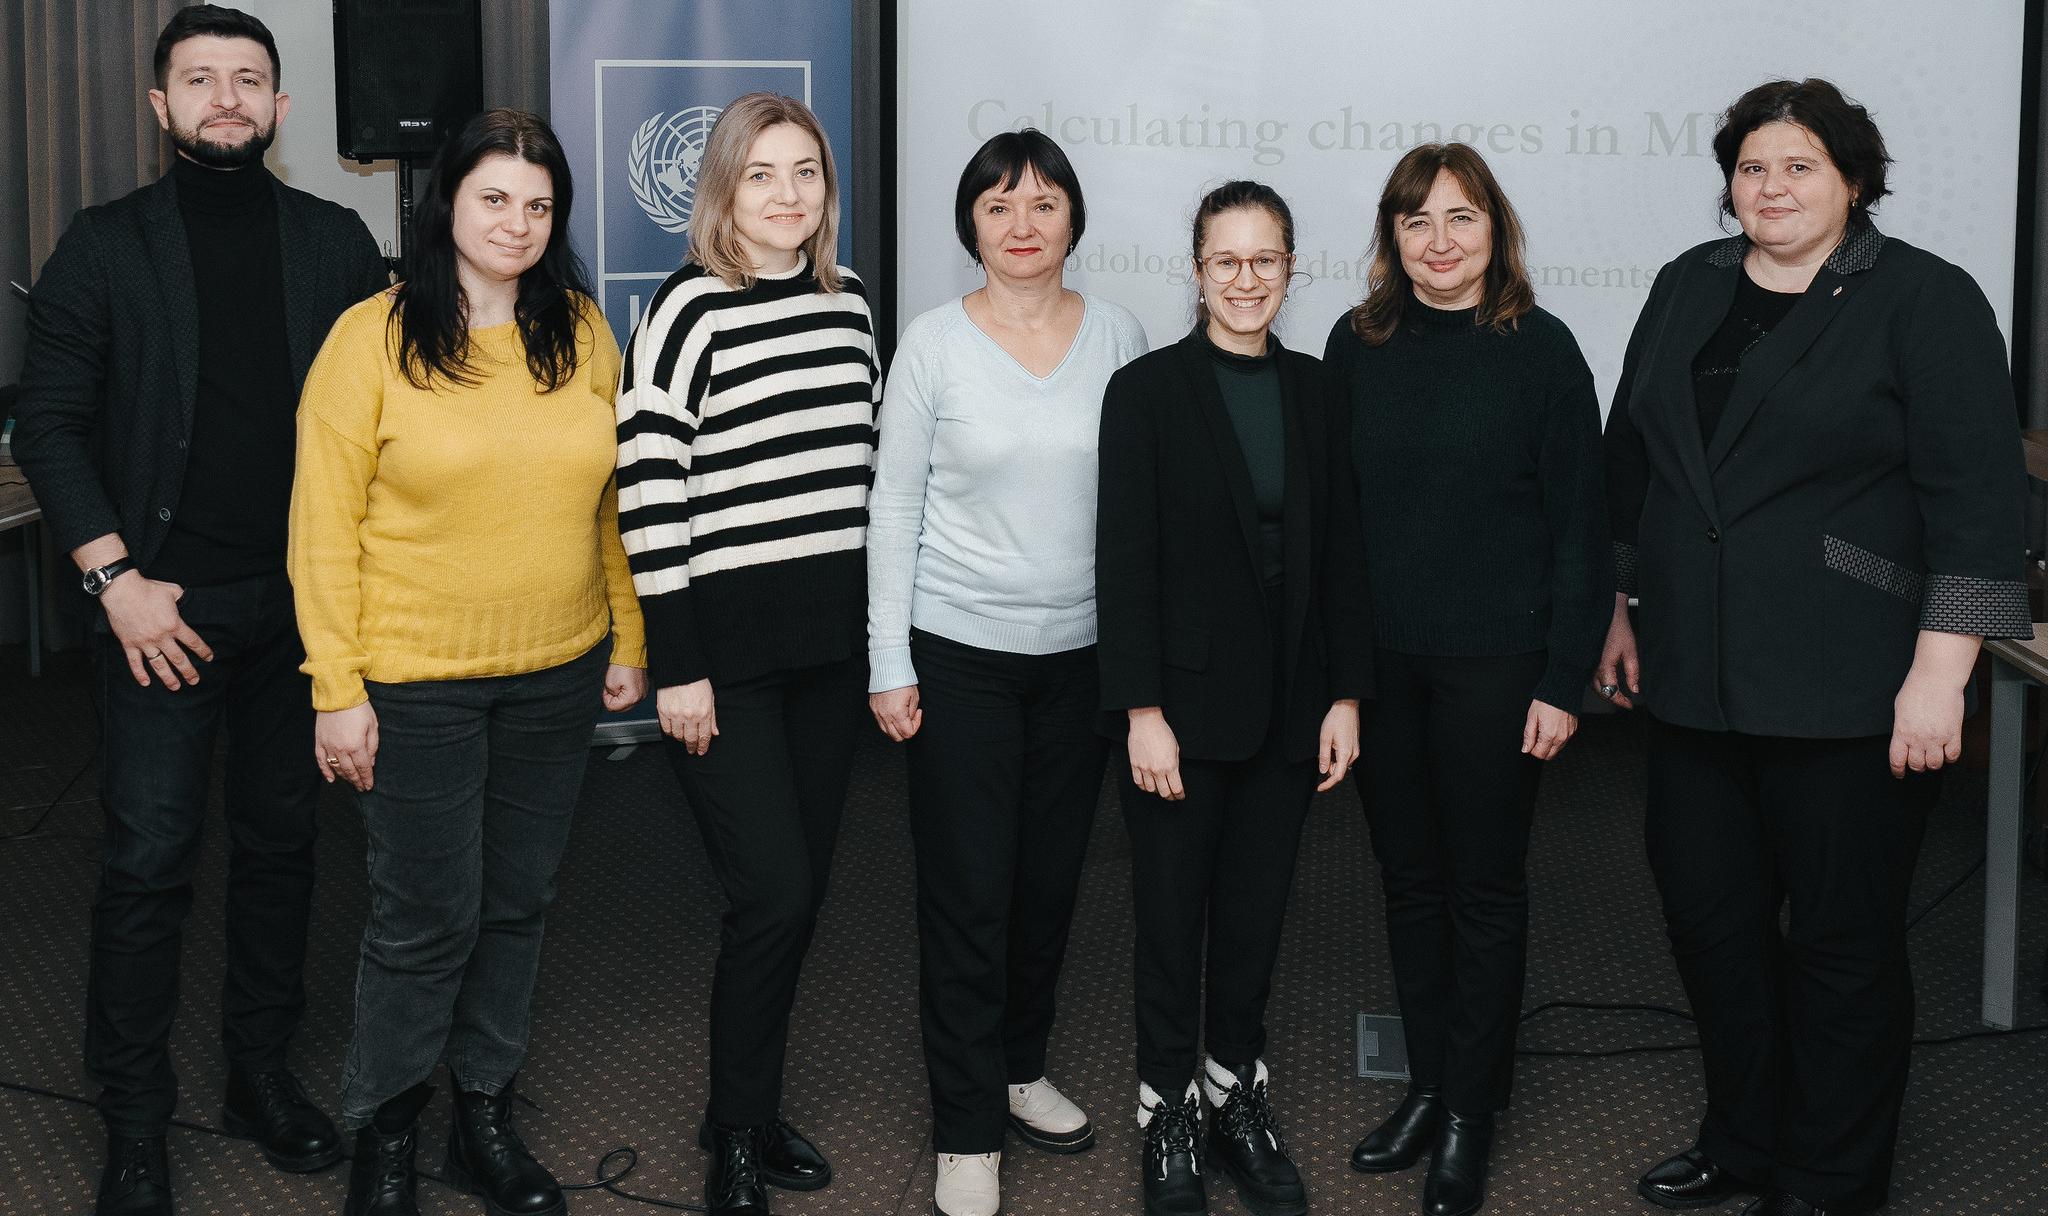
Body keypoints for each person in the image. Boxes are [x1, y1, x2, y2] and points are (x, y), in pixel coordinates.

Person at [1599, 79, 2029, 1216]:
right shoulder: (1684, 284)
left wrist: (1939, 679)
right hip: (1692, 681)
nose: (1770, 187)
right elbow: (1629, 461)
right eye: (1751, 166)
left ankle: (1830, 1180)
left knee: (1840, 951)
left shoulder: (1924, 301)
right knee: (1711, 928)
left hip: (1853, 685)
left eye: (1797, 166)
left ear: (1851, 177)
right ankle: (1741, 1141)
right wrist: (1616, 599)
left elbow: (1980, 511)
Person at [11, 8, 387, 1213]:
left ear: (282, 110)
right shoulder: (104, 244)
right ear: (161, 107)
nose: (226, 97)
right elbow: (51, 426)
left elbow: (390, 419)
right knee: (149, 860)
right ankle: (133, 1116)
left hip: (300, 611)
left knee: (283, 854)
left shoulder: (337, 243)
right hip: (155, 613)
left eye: (249, 79)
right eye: (200, 79)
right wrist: (113, 580)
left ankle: (256, 1077)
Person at [288, 108, 647, 1216]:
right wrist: (335, 687)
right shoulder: (371, 337)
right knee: (425, 914)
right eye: (494, 197)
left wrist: (626, 637)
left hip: (555, 672)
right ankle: (386, 1130)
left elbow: (611, 508)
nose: (518, 222)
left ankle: (481, 1114)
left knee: (518, 901)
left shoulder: (583, 333)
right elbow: (321, 525)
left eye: (539, 205)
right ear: (445, 203)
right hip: (413, 679)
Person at [866, 129, 1147, 1216]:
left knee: (1047, 883)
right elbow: (892, 507)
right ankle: (965, 1123)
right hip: (958, 654)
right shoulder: (933, 343)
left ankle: (1018, 1066)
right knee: (968, 893)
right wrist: (889, 659)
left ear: (1072, 217)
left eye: (1041, 203)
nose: (1021, 224)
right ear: (969, 225)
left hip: (1080, 661)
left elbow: (1139, 511)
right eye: (997, 205)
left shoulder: (1119, 334)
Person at [1325, 143, 1610, 1216]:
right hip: (1387, 668)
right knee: (1408, 882)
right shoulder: (1357, 346)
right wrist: (1341, 679)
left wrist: (1560, 680)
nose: (1436, 242)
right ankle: (1431, 1083)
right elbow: (1341, 531)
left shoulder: (1541, 351)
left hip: (1501, 667)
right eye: (1414, 222)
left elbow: (1580, 534)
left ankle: (1468, 1115)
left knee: (1483, 889)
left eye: (1458, 219)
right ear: (1390, 239)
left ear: (1495, 230)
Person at [612, 92, 877, 1216]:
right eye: (761, 174)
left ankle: (755, 1111)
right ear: (721, 189)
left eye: (805, 172)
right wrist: (678, 665)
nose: (786, 194)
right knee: (767, 894)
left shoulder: (854, 306)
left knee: (798, 895)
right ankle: (731, 1128)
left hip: (828, 658)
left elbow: (866, 484)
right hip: (722, 664)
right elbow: (649, 495)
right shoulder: (683, 312)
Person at [1096, 180, 1368, 1216]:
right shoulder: (1148, 392)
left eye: (1265, 260)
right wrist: (1139, 710)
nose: (1245, 279)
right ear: (1196, 270)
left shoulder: (1315, 390)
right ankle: (1165, 1110)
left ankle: (1232, 1092)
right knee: (1171, 921)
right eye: (1225, 260)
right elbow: (1121, 562)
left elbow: (1340, 553)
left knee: (1252, 921)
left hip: (1290, 712)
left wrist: (1345, 694)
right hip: (1178, 714)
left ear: (1291, 269)